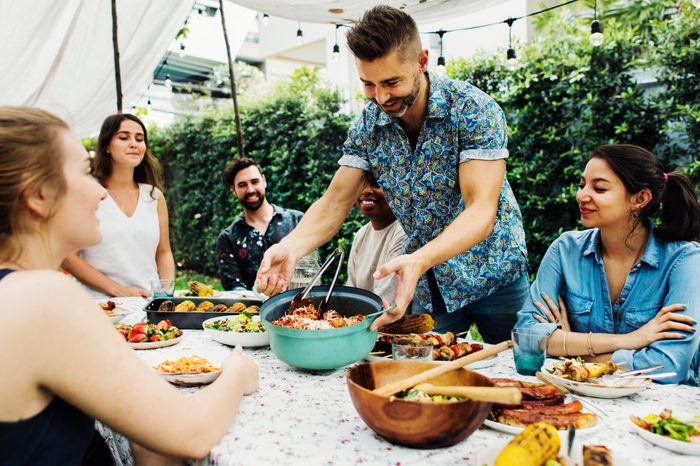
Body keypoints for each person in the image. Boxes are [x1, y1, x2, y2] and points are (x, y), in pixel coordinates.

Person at [0, 106, 259, 463]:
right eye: (83, 173)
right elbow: (191, 432)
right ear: (38, 195)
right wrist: (237, 372)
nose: (101, 193)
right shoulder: (42, 298)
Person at [255, 5, 529, 342]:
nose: (381, 97)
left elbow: (481, 210)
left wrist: (418, 259)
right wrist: (291, 247)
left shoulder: (473, 110)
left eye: (391, 82)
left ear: (422, 61)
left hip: (495, 273)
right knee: (428, 379)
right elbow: (335, 202)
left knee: (519, 374)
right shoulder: (368, 125)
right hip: (428, 281)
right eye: (368, 84)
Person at [515, 144, 699, 385]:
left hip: (657, 410)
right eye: (582, 185)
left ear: (640, 199)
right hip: (576, 397)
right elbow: (528, 336)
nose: (581, 195)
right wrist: (629, 340)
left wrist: (571, 346)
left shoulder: (685, 261)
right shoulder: (564, 250)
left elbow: (670, 365)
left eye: (599, 188)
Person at [61, 113, 175, 298]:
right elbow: (68, 258)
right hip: (101, 306)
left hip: (148, 305)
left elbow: (163, 252)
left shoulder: (154, 196)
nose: (134, 143)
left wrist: (165, 294)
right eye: (124, 137)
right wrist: (119, 291)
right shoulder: (87, 192)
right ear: (106, 146)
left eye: (140, 139)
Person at [217, 157, 303, 291]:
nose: (250, 190)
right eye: (242, 185)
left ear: (264, 181)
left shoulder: (297, 221)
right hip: (252, 310)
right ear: (233, 190)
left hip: (301, 307)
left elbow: (313, 269)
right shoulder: (227, 238)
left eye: (255, 181)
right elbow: (234, 288)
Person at [346, 172, 406, 302]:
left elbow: (385, 300)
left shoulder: (403, 232)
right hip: (361, 317)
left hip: (391, 320)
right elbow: (351, 291)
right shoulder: (361, 235)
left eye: (377, 184)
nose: (366, 191)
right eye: (361, 185)